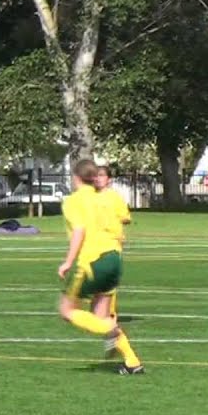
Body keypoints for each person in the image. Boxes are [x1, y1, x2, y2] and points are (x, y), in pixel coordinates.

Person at [58, 159, 144, 375]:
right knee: (101, 314)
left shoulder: (74, 201)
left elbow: (79, 231)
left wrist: (68, 261)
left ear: (75, 177)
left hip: (92, 259)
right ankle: (132, 361)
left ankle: (110, 330)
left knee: (67, 310)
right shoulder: (105, 199)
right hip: (113, 258)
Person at [94, 165, 132, 344]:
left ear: (108, 179)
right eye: (96, 176)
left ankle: (111, 326)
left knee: (106, 290)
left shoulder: (114, 197)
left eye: (102, 176)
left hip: (111, 248)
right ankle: (107, 323)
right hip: (94, 248)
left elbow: (126, 217)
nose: (98, 178)